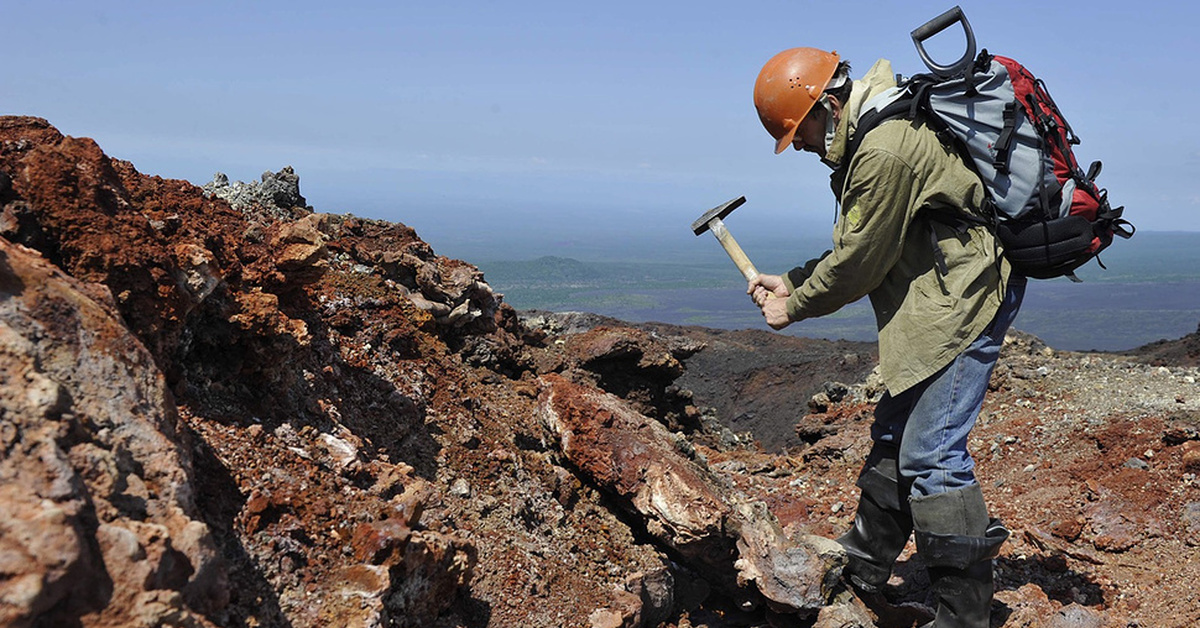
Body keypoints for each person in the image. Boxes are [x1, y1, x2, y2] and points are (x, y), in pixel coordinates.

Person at [748, 47, 1026, 627]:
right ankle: (866, 563)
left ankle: (964, 617)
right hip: (936, 296)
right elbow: (868, 240)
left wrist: (792, 306)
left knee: (933, 453)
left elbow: (858, 263)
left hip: (964, 299)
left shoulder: (884, 150)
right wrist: (795, 279)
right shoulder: (876, 131)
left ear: (827, 104)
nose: (797, 146)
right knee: (897, 430)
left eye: (799, 132)